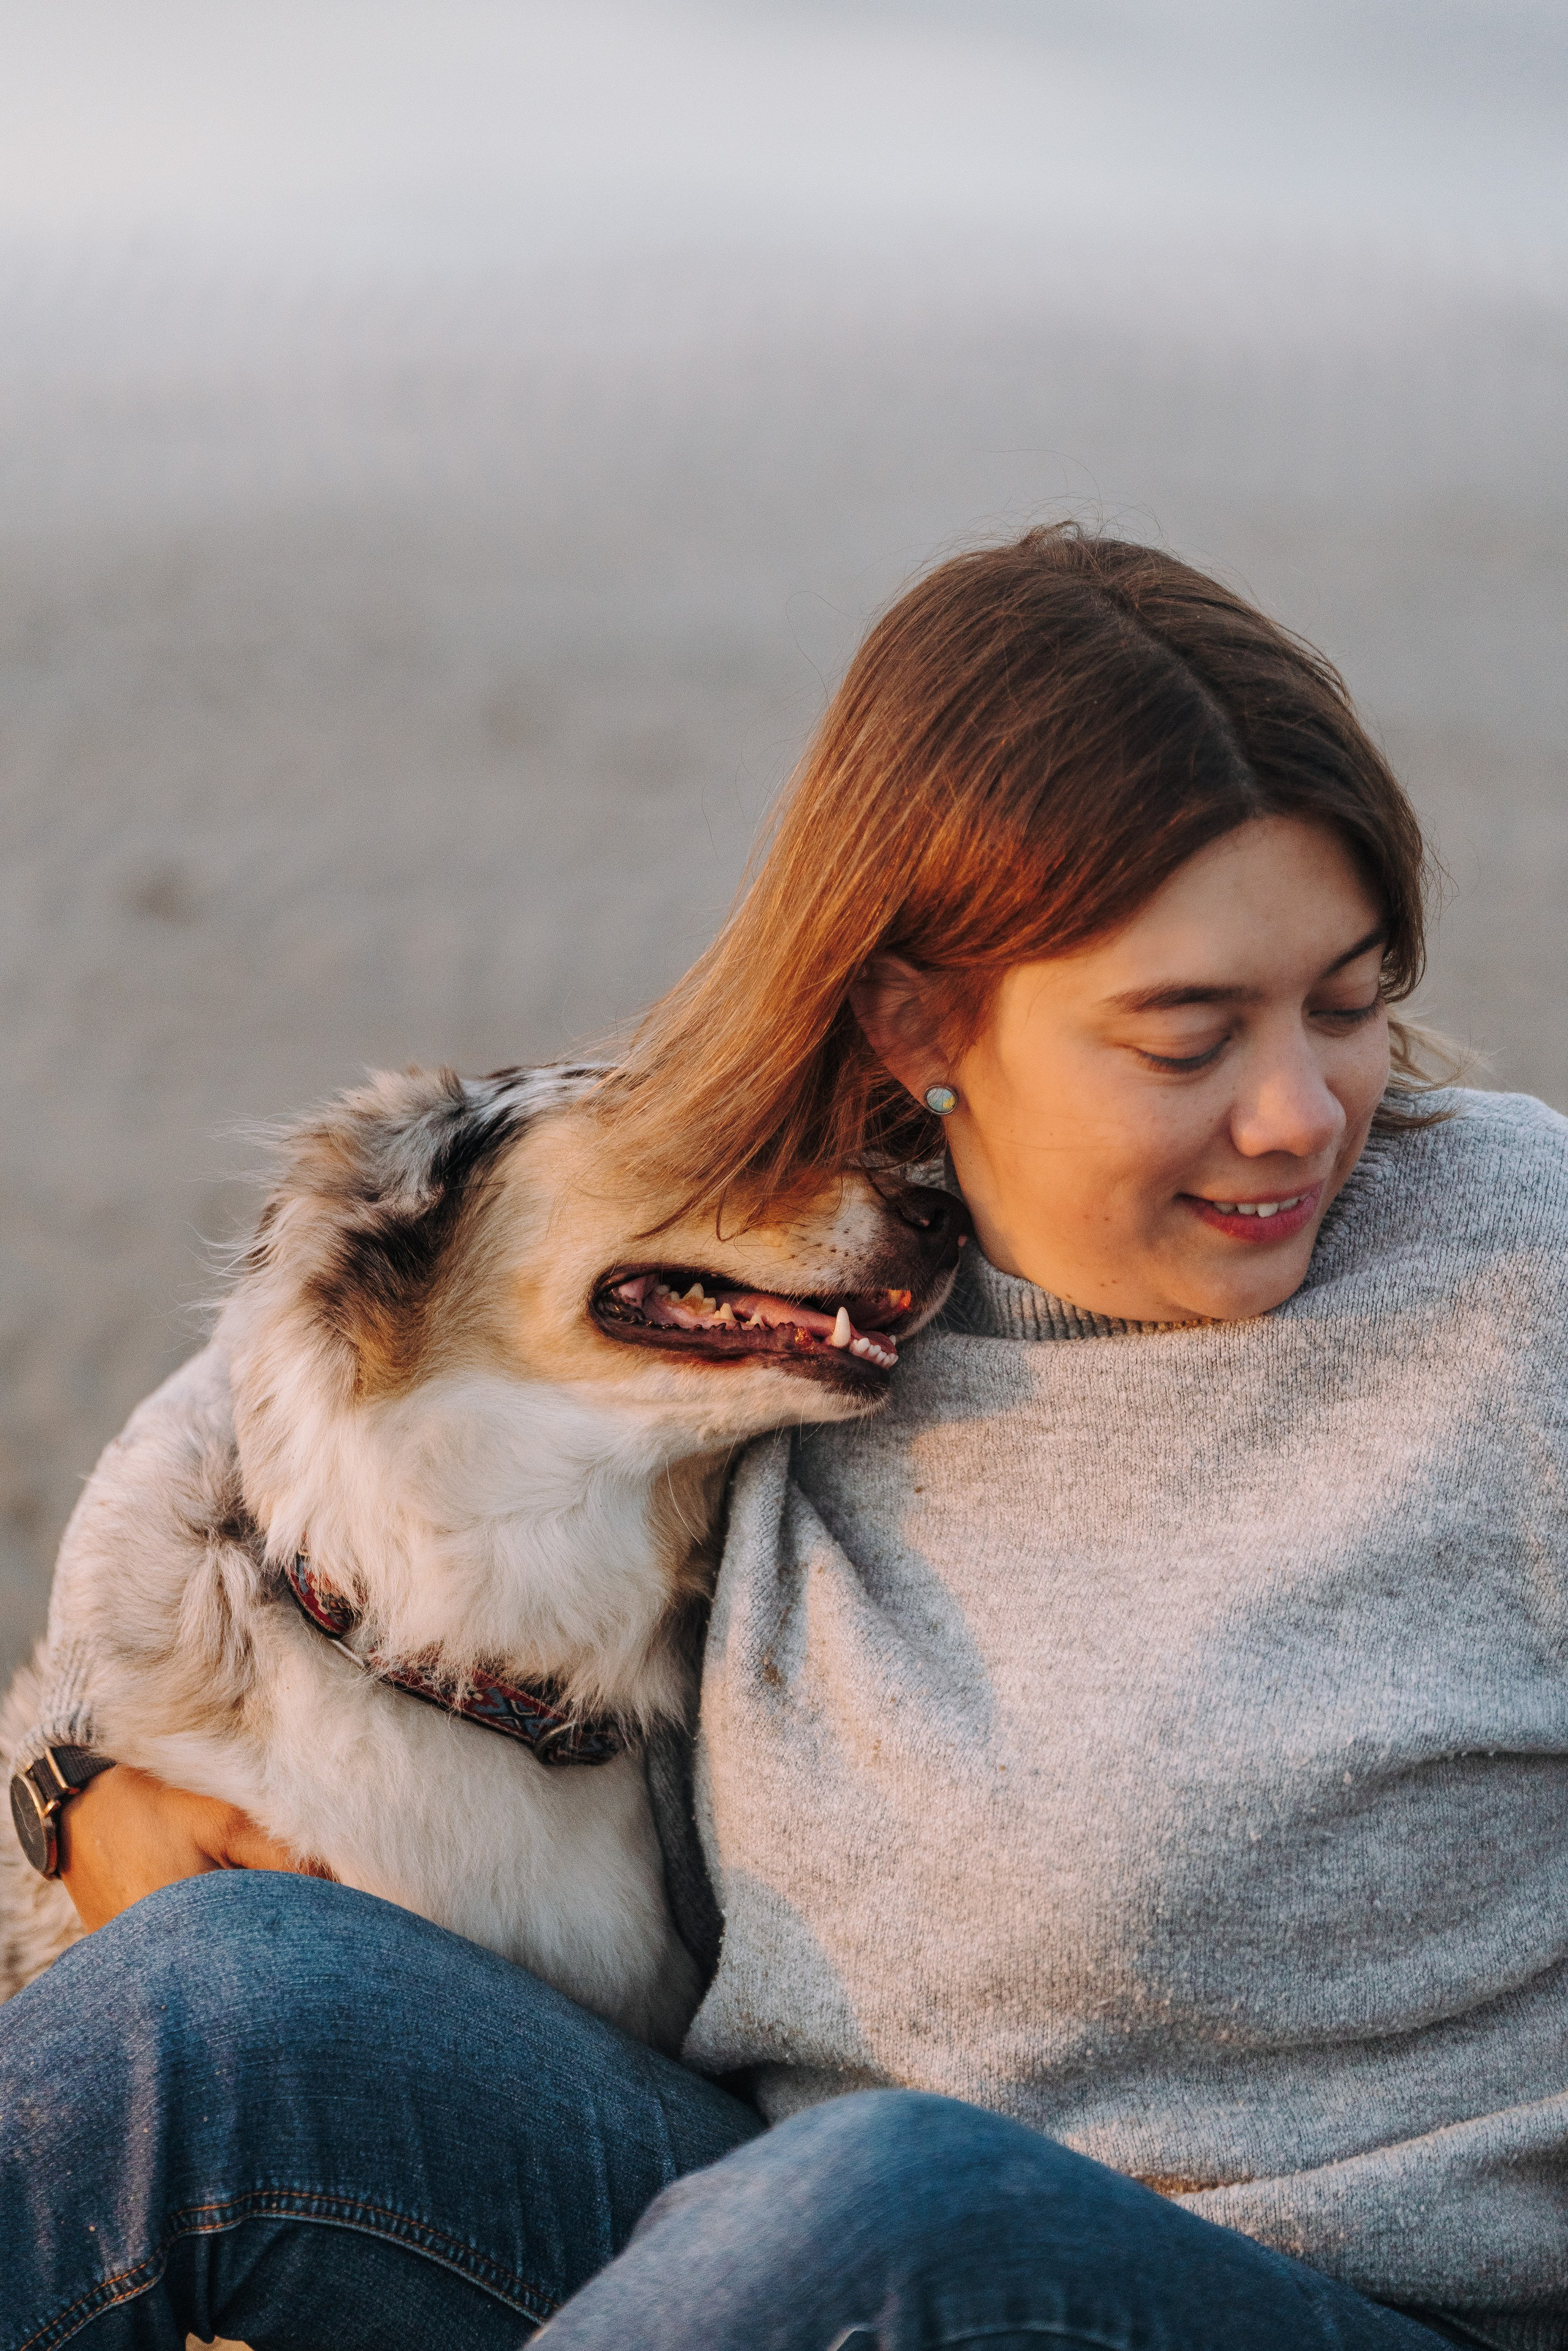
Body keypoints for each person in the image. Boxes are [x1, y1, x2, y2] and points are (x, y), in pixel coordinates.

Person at [4, 526, 1564, 2351]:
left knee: (893, 2213)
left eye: (1349, 1003)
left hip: (1305, 2308)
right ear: (922, 1025)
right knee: (199, 2018)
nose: (1302, 1113)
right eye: (1187, 1036)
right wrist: (69, 1791)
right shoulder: (796, 1306)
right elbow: (255, 1396)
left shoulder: (1511, 1283)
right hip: (736, 2267)